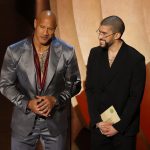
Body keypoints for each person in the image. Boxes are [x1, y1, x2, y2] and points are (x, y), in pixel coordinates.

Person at [0, 10, 81, 150]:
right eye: (42, 27)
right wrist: (27, 103)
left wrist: (55, 100)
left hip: (55, 122)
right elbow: (5, 85)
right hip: (24, 122)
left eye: (50, 29)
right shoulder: (14, 51)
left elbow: (75, 84)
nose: (45, 32)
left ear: (55, 29)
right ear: (35, 23)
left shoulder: (67, 51)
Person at [85, 15, 146, 150]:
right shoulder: (94, 53)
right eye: (99, 32)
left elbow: (135, 98)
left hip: (124, 130)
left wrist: (118, 127)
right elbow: (89, 89)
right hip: (99, 128)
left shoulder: (136, 59)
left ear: (117, 35)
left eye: (104, 33)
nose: (100, 36)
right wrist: (97, 121)